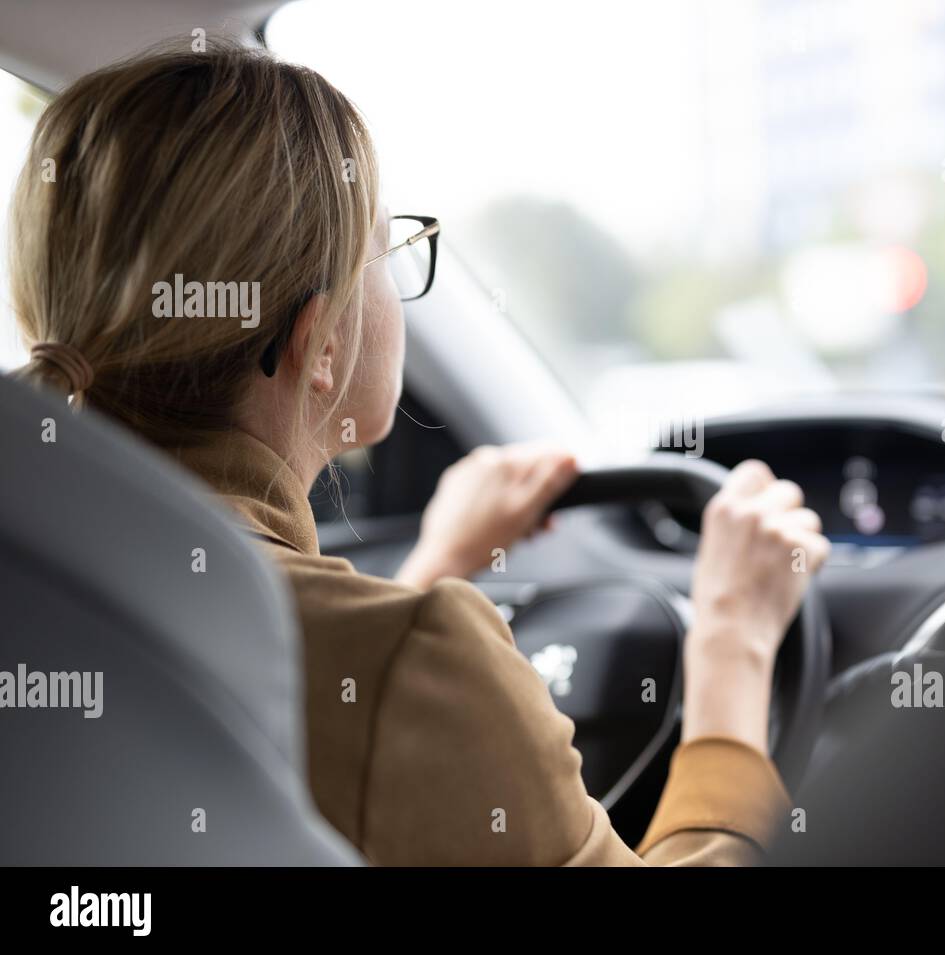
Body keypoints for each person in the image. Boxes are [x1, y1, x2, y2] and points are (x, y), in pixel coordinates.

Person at [10, 39, 830, 865]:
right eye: (388, 250)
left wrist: (433, 573)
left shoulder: (52, 588)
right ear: (320, 343)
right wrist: (733, 647)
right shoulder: (407, 656)